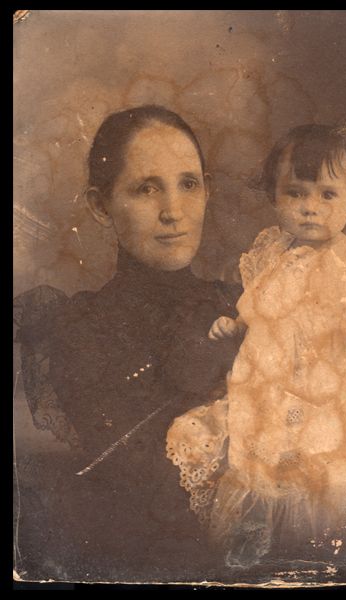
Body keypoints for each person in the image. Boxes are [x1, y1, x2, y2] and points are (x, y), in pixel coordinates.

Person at [166, 124, 346, 571]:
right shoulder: (272, 255)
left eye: (327, 195)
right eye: (296, 194)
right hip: (275, 378)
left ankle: (337, 542)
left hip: (343, 382)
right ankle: (264, 531)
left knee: (334, 464)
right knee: (268, 458)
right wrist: (235, 324)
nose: (310, 208)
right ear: (275, 198)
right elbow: (260, 307)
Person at [13, 105, 241, 580]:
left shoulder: (244, 307)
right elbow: (148, 490)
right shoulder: (82, 329)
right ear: (101, 205)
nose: (173, 212)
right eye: (146, 188)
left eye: (189, 184)